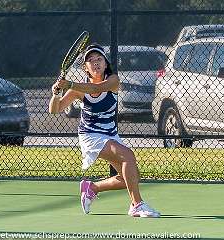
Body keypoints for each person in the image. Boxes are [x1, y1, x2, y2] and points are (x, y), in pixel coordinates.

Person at [49, 43, 160, 218]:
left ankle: (91, 187)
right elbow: (55, 110)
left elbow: (96, 88)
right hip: (90, 136)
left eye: (99, 59)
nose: (95, 63)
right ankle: (137, 205)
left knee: (130, 177)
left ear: (105, 63)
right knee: (128, 156)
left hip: (110, 135)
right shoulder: (77, 90)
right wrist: (56, 93)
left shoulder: (113, 81)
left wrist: (69, 83)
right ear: (85, 68)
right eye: (91, 61)